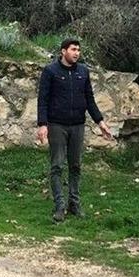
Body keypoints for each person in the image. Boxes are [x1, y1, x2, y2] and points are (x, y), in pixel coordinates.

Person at [37, 38, 112, 223]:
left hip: (78, 125)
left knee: (76, 165)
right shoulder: (50, 71)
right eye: (73, 49)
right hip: (57, 125)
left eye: (78, 50)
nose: (76, 53)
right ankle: (59, 206)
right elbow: (43, 100)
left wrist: (100, 122)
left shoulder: (83, 72)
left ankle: (74, 203)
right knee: (57, 166)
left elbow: (89, 99)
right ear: (63, 51)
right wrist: (42, 124)